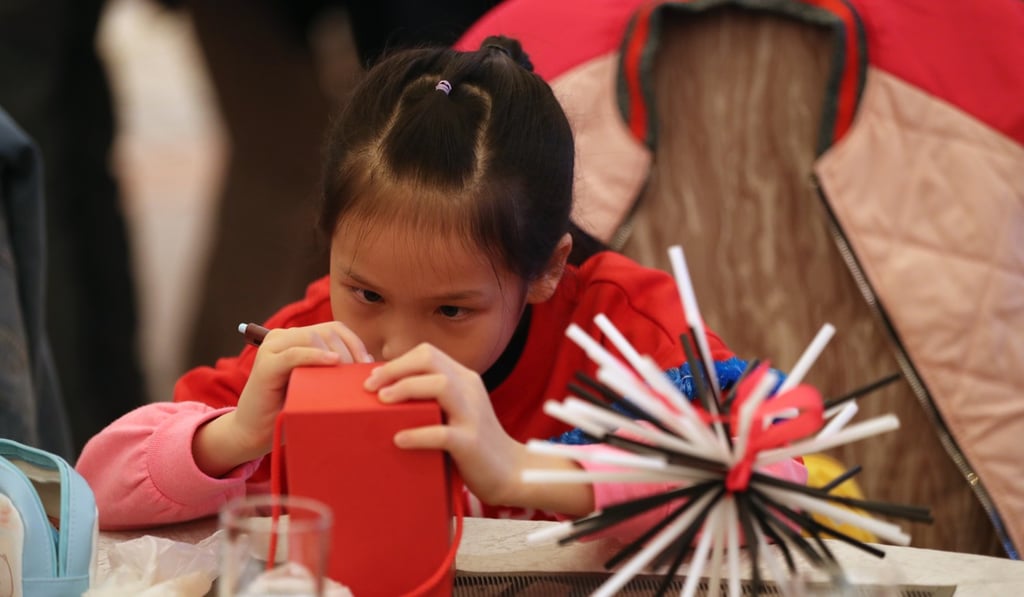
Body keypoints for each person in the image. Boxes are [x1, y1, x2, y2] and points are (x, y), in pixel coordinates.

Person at [77, 36, 805, 533]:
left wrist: (525, 470)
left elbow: (779, 475)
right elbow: (95, 491)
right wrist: (234, 435)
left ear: (547, 269)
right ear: (329, 245)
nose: (397, 346)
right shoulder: (309, 340)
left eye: (452, 308)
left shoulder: (622, 327)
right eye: (367, 294)